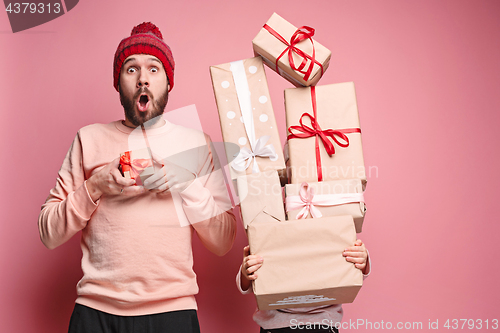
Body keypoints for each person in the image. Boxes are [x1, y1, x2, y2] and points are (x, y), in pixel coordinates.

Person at [38, 22, 237, 333]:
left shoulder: (198, 143)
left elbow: (224, 241)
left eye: (154, 69)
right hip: (95, 312)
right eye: (131, 69)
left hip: (174, 313)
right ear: (117, 83)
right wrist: (95, 187)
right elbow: (48, 233)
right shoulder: (88, 139)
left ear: (169, 83)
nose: (143, 78)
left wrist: (187, 183)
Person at [237, 239, 371, 333]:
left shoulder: (333, 217)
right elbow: (247, 285)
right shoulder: (271, 224)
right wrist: (246, 271)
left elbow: (351, 269)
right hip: (275, 324)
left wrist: (362, 260)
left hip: (323, 323)